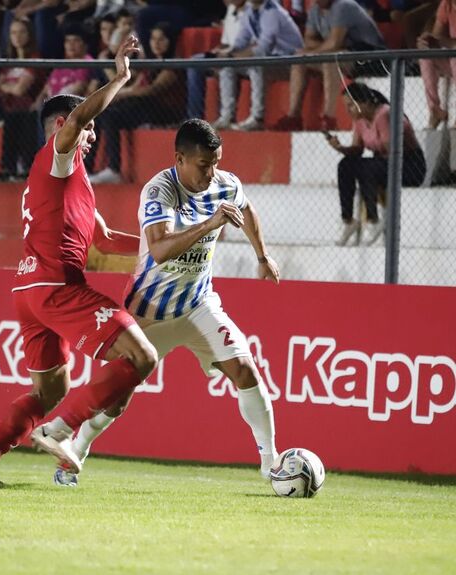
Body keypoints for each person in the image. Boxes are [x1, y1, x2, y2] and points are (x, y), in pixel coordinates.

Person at [0, 35, 158, 487]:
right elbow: (82, 117)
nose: (91, 137)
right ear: (65, 125)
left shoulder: (69, 182)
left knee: (50, 389)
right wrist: (121, 77)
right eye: (86, 129)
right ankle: (60, 430)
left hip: (29, 293)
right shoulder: (56, 157)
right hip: (55, 287)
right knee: (142, 356)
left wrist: (163, 247)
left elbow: (104, 241)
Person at [38, 117, 281, 487]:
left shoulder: (226, 184)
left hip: (199, 304)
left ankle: (271, 463)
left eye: (216, 162)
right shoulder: (159, 191)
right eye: (204, 165)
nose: (212, 173)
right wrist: (209, 224)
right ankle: (78, 448)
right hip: (149, 312)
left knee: (245, 370)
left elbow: (244, 209)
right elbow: (160, 248)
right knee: (117, 399)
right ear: (180, 158)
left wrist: (262, 257)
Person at [326, 82, 426, 246]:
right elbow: (357, 151)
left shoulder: (384, 114)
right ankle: (348, 220)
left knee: (367, 167)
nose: (348, 110)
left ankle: (373, 220)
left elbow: (393, 150)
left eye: (351, 105)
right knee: (345, 165)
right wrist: (341, 148)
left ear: (364, 102)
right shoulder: (360, 120)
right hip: (383, 164)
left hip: (408, 166)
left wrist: (373, 158)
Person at [89, 22, 185, 184]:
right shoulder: (149, 63)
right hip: (143, 107)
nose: (156, 43)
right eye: (154, 39)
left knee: (111, 115)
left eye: (162, 39)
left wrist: (122, 94)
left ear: (171, 41)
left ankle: (114, 169)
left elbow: (152, 89)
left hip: (164, 111)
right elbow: (135, 87)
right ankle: (87, 167)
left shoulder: (173, 65)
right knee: (99, 113)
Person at [273, 0, 386, 132]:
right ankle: (293, 116)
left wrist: (313, 52)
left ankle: (329, 118)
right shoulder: (314, 10)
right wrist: (311, 52)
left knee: (330, 59)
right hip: (345, 54)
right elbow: (308, 40)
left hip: (371, 57)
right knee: (299, 60)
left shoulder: (343, 5)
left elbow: (334, 42)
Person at [212, 0, 303, 131]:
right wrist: (227, 52)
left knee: (256, 64)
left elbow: (264, 48)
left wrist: (236, 56)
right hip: (269, 61)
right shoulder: (249, 12)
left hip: (288, 62)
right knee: (227, 66)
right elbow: (241, 40)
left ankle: (257, 118)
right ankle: (226, 117)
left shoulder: (273, 11)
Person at [0, 17, 46, 181]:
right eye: (13, 33)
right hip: (4, 105)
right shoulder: (9, 61)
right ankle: (7, 168)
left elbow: (20, 90)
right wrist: (8, 88)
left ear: (29, 35)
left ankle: (17, 167)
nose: (17, 36)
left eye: (21, 32)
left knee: (16, 117)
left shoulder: (35, 59)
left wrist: (7, 87)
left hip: (24, 107)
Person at [417, 0, 456, 129]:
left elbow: (448, 42)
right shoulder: (447, 4)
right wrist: (428, 42)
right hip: (452, 60)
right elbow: (437, 36)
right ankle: (434, 110)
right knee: (425, 55)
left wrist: (445, 42)